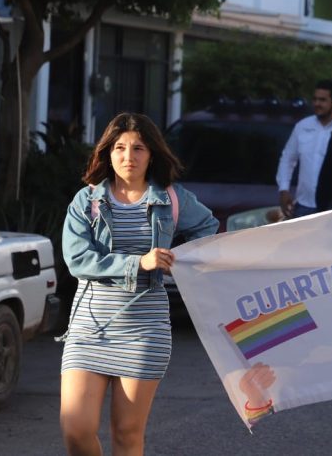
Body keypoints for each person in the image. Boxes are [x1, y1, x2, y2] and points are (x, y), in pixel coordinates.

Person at [59, 113, 219, 455]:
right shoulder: (87, 201)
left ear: (152, 154)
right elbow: (77, 260)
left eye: (138, 148)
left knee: (127, 433)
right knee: (76, 428)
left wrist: (179, 260)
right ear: (107, 152)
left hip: (145, 329)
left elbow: (208, 227)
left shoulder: (171, 199)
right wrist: (138, 263)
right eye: (119, 147)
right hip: (90, 328)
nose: (128, 156)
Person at [276, 79, 332, 219]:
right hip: (303, 206)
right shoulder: (303, 126)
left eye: (322, 100)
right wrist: (283, 189)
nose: (317, 103)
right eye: (315, 99)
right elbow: (287, 159)